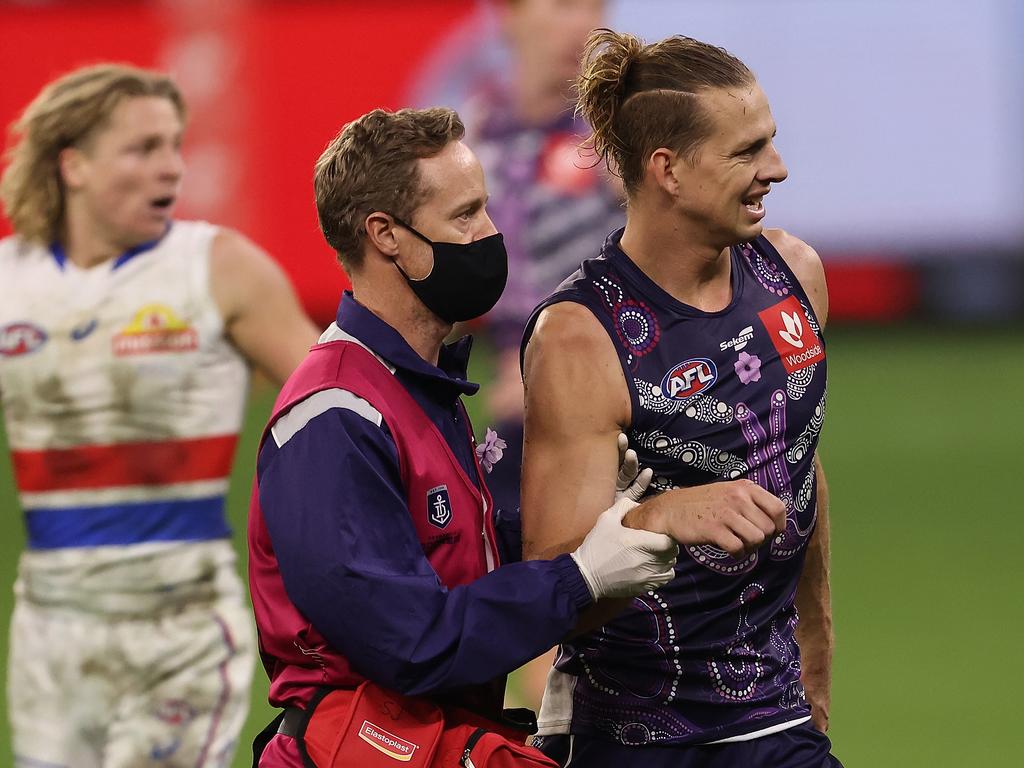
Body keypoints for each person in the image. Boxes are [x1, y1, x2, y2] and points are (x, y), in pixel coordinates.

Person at [247, 106, 699, 768]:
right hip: (362, 748)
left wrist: (595, 522)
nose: (492, 235)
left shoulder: (414, 389)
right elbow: (411, 642)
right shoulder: (334, 418)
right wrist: (579, 575)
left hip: (421, 741)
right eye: (466, 216)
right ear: (386, 236)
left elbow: (455, 560)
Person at [520, 30, 840, 766]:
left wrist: (817, 673)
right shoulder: (580, 338)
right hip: (632, 742)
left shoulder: (795, 277)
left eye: (771, 143)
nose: (777, 169)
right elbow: (546, 589)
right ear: (668, 169)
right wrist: (658, 517)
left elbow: (801, 476)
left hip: (777, 727)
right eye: (746, 151)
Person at [0, 64, 319, 767]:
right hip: (49, 629)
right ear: (73, 165)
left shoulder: (217, 269)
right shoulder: (10, 281)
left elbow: (340, 408)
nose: (171, 168)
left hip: (180, 629)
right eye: (143, 149)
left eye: (175, 145)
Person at [454, 0, 621, 519]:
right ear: (510, 17)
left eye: (594, 8)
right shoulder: (474, 134)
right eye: (564, 6)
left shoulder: (614, 131)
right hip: (515, 404)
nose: (583, 25)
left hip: (615, 395)